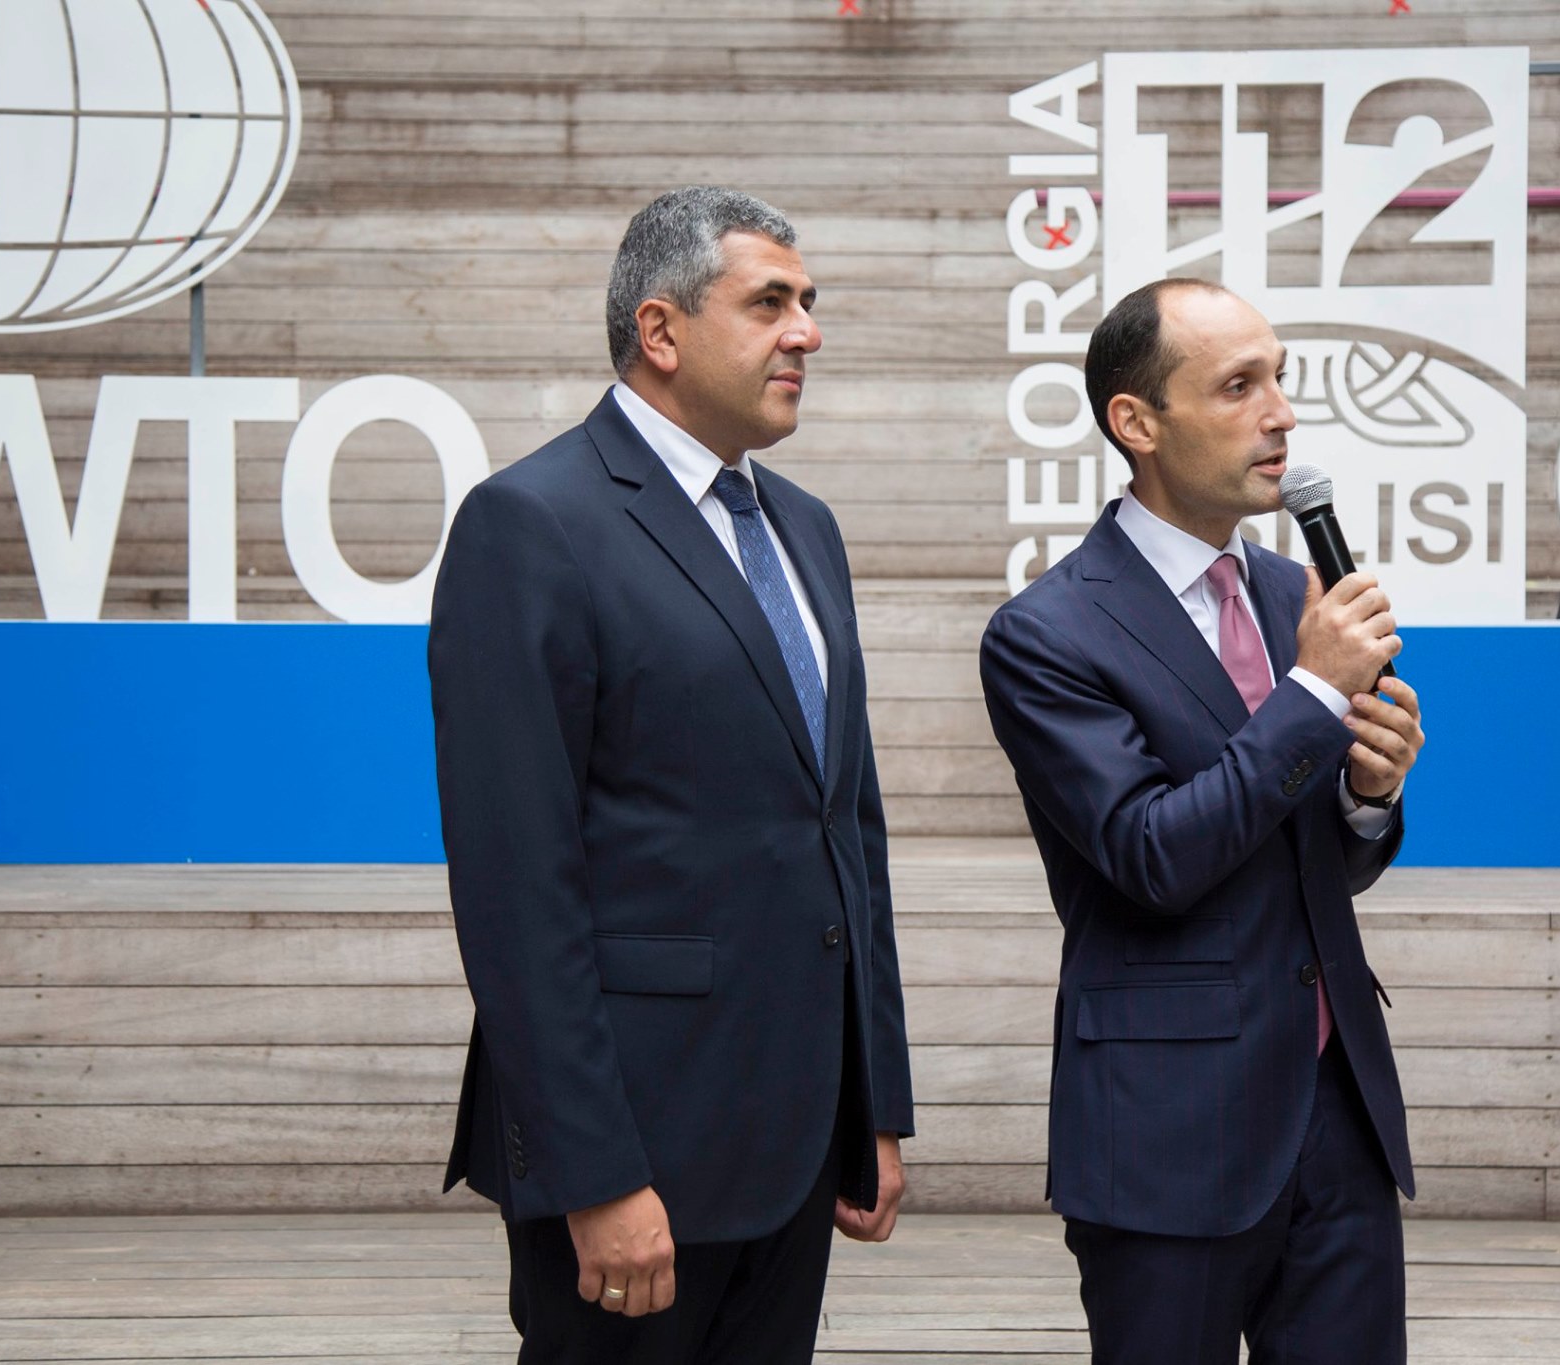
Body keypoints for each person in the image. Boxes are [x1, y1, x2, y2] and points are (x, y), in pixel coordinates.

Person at [428, 186, 914, 1365]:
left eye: (807, 303)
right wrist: (593, 1174)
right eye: (769, 303)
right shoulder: (527, 524)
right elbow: (516, 886)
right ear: (659, 330)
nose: (806, 333)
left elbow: (846, 830)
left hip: (795, 1141)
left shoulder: (804, 528)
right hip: (634, 1153)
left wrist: (873, 1104)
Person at [979, 278, 1424, 1363]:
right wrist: (1311, 695)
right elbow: (1152, 855)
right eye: (1237, 386)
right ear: (1136, 422)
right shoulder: (1046, 633)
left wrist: (1369, 799)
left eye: (1280, 379)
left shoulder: (1289, 592)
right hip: (1168, 1125)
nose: (1280, 414)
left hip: (1337, 1110)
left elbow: (1310, 860)